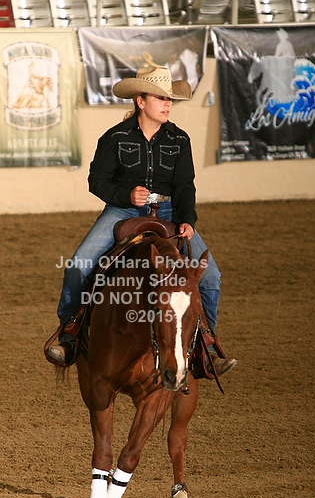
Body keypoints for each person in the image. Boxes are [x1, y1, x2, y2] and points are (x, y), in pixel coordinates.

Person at [47, 66, 237, 376]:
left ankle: (206, 345)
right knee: (79, 266)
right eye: (160, 98)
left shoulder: (179, 140)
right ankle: (69, 333)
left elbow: (185, 186)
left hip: (169, 211)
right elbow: (97, 181)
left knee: (211, 277)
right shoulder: (114, 138)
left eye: (169, 99)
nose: (167, 104)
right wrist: (126, 195)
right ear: (140, 101)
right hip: (122, 211)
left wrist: (187, 220)